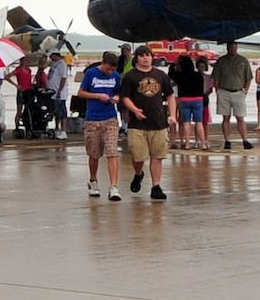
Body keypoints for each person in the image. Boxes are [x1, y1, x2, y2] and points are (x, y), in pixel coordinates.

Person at [120, 49, 174, 200]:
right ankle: (138, 173)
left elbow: (170, 95)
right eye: (142, 56)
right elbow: (125, 97)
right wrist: (134, 110)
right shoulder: (130, 76)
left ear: (152, 58)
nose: (145, 59)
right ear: (136, 58)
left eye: (148, 55)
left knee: (157, 155)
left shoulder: (161, 75)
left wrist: (173, 115)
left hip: (158, 122)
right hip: (137, 124)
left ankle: (156, 186)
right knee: (138, 156)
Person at [79, 50, 125, 199]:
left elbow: (118, 92)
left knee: (112, 152)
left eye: (112, 70)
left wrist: (116, 97)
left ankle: (114, 187)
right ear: (102, 63)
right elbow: (81, 93)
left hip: (110, 118)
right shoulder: (91, 74)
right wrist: (97, 96)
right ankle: (93, 180)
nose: (110, 72)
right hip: (93, 118)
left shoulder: (115, 76)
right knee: (94, 153)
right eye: (108, 69)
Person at [212, 41, 255, 150]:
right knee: (226, 117)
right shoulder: (221, 61)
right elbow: (216, 78)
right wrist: (218, 92)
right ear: (227, 48)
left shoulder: (243, 61)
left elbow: (248, 78)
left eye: (235, 48)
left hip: (238, 92)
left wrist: (245, 91)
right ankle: (227, 141)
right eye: (231, 48)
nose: (233, 50)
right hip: (224, 92)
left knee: (240, 117)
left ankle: (245, 140)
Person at [169, 53, 208, 151]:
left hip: (184, 100)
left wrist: (173, 64)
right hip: (198, 99)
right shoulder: (198, 75)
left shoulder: (180, 75)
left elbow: (171, 74)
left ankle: (187, 144)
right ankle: (203, 143)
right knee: (199, 122)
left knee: (186, 122)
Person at [46, 52, 71, 139]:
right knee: (56, 111)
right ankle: (57, 128)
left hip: (58, 92)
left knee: (62, 111)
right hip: (52, 92)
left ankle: (63, 131)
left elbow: (63, 78)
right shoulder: (54, 64)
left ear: (55, 55)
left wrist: (60, 91)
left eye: (51, 56)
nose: (50, 57)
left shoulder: (62, 64)